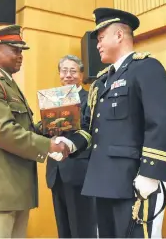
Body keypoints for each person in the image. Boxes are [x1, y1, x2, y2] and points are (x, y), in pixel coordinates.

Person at [58, 8, 166, 238]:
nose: (97, 45)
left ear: (119, 36)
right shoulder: (100, 82)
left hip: (134, 179)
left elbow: (164, 120)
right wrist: (69, 144)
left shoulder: (145, 67)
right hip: (103, 180)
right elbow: (91, 128)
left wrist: (150, 173)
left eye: (101, 38)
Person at [0, 25, 70, 238]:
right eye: (15, 50)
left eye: (21, 51)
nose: (20, 56)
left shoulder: (8, 84)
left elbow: (21, 128)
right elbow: (4, 132)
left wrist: (51, 126)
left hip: (14, 189)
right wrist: (48, 145)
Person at [45, 55, 97, 238]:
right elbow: (45, 129)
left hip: (78, 172)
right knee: (63, 229)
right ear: (59, 74)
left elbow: (90, 129)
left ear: (81, 75)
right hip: (56, 173)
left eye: (73, 71)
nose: (68, 75)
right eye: (64, 71)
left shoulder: (89, 98)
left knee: (82, 229)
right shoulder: (52, 99)